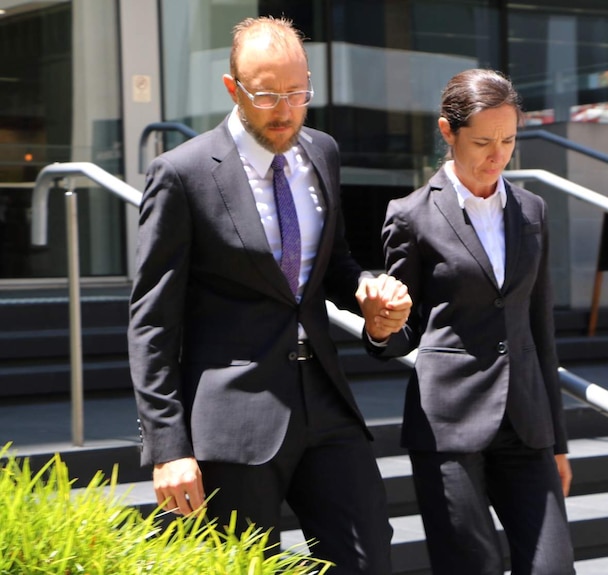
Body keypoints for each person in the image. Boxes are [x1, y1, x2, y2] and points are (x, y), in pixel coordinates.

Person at [127, 16, 410, 574]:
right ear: (233, 90)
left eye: (298, 93)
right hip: (232, 421)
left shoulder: (322, 153)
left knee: (368, 555)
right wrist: (168, 447)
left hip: (325, 404)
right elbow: (152, 321)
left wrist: (368, 297)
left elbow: (333, 264)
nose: (285, 111)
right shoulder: (182, 175)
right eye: (267, 95)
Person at [371, 69, 576, 574]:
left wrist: (559, 441)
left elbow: (538, 327)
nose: (498, 154)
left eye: (508, 140)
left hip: (526, 424)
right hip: (449, 424)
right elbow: (404, 330)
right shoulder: (410, 216)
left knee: (553, 567)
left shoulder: (533, 211)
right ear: (448, 132)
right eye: (483, 141)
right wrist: (382, 327)